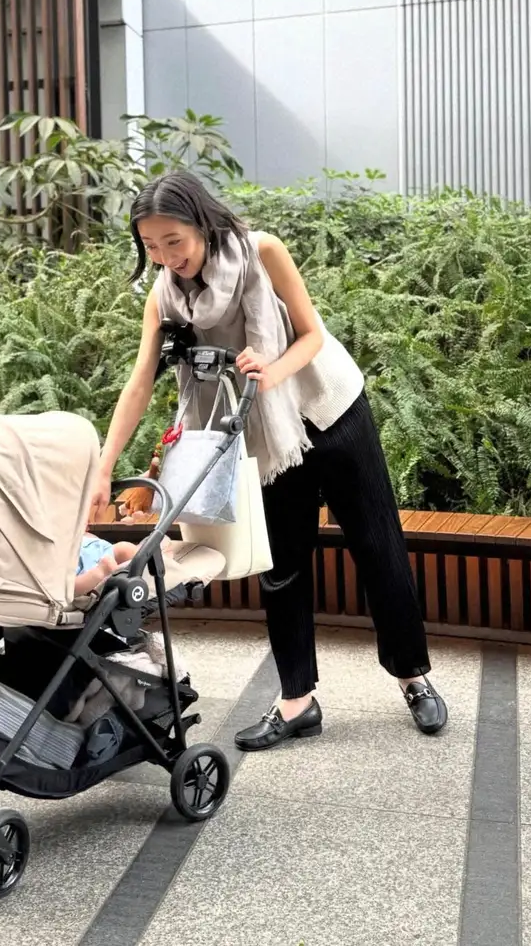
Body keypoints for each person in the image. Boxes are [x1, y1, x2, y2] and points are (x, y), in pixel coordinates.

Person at [88, 171, 448, 751]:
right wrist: (104, 465)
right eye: (151, 245)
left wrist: (270, 372)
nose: (166, 257)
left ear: (202, 223)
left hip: (329, 410)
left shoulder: (261, 252)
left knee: (377, 546)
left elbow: (311, 335)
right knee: (282, 565)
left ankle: (412, 676)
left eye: (174, 241)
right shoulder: (164, 296)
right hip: (262, 436)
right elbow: (139, 382)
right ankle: (297, 699)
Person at [75, 531, 174, 596]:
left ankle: (153, 558)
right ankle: (156, 560)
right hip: (90, 572)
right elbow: (71, 589)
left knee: (125, 549)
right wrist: (100, 572)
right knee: (126, 553)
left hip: (90, 549)